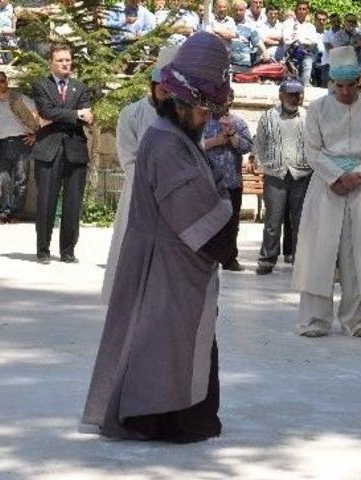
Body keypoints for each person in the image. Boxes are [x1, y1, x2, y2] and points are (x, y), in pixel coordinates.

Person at [82, 32, 235, 443]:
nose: (207, 117)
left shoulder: (176, 134)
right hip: (169, 265)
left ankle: (160, 417)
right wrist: (224, 213)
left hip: (173, 264)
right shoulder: (167, 142)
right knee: (165, 344)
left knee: (162, 341)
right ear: (181, 101)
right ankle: (159, 420)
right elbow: (197, 213)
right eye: (203, 108)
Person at [293, 46, 361, 338]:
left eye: (350, 85)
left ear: (359, 81)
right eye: (339, 86)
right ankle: (315, 321)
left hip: (360, 188)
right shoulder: (318, 109)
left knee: (357, 253)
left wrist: (357, 175)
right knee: (319, 252)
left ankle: (356, 320)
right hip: (325, 187)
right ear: (332, 82)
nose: (345, 92)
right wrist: (335, 176)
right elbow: (312, 149)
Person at [101, 46, 178, 304]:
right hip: (139, 193)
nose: (167, 96)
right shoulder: (131, 113)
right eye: (163, 90)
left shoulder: (182, 115)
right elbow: (128, 158)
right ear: (152, 84)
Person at [31, 44, 93, 265]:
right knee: (46, 202)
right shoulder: (40, 85)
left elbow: (88, 117)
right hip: (48, 150)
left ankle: (67, 251)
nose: (66, 63)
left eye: (68, 60)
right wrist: (75, 114)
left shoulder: (81, 87)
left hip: (75, 151)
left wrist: (58, 116)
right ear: (51, 63)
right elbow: (46, 111)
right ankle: (43, 250)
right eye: (60, 60)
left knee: (73, 203)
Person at [254, 79, 311, 274]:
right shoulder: (268, 117)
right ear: (281, 95)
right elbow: (259, 144)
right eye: (291, 94)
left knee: (300, 222)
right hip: (275, 175)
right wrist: (264, 165)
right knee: (272, 221)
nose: (295, 98)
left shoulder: (308, 117)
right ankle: (267, 260)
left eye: (298, 94)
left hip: (301, 175)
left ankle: (300, 261)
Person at [202, 89, 252, 271]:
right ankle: (206, 257)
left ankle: (230, 259)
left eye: (223, 98)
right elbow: (194, 146)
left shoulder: (238, 122)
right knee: (207, 220)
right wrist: (216, 140)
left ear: (230, 100)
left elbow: (247, 147)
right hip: (207, 181)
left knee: (232, 223)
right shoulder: (202, 119)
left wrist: (232, 136)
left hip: (231, 182)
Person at [0, 70, 38, 223]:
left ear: (7, 82)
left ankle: (16, 213)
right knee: (2, 179)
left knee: (21, 178)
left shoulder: (20, 98)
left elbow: (37, 115)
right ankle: (4, 211)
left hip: (22, 142)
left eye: (1, 81)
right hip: (0, 144)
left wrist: (36, 135)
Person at [279, 1, 316, 85]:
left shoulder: (311, 27)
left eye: (304, 9)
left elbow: (313, 43)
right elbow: (287, 40)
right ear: (295, 11)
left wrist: (299, 40)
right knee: (291, 84)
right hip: (290, 57)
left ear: (307, 11)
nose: (302, 11)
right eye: (299, 9)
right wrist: (305, 41)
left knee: (305, 83)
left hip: (306, 57)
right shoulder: (287, 24)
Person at [228, 0, 266, 72]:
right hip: (228, 65)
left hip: (244, 66)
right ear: (232, 10)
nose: (238, 12)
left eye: (241, 10)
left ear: (245, 10)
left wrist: (265, 51)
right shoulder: (227, 22)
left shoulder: (250, 25)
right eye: (236, 10)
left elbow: (257, 41)